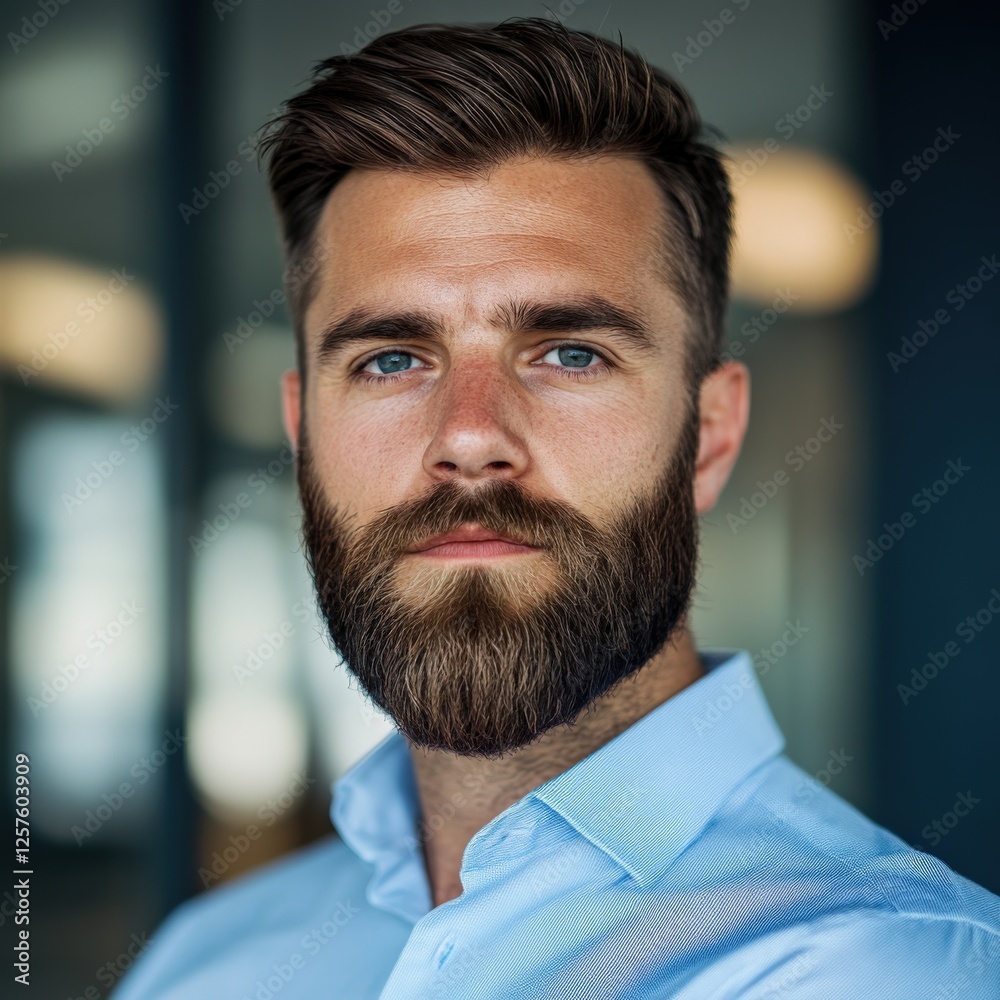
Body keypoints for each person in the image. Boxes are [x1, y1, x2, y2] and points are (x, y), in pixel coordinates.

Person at [115, 17, 1000, 999]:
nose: (468, 434)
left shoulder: (878, 964)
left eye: (571, 352)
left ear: (707, 433)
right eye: (391, 359)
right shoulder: (202, 962)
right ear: (304, 432)